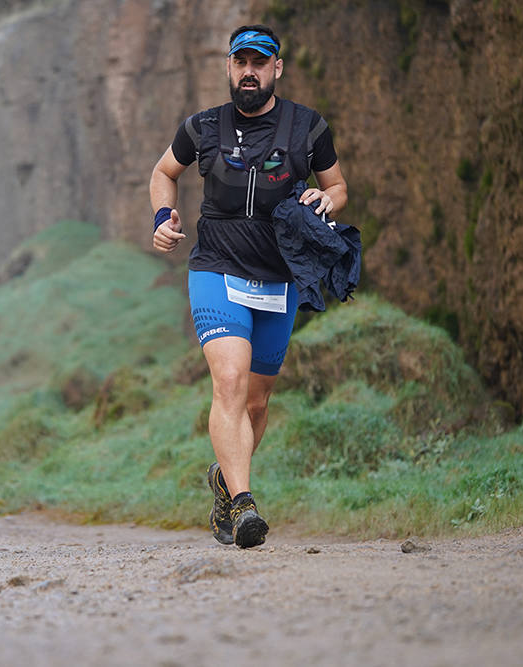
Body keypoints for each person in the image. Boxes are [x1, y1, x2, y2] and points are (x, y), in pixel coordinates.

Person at [149, 25, 348, 548]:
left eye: (260, 64)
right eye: (241, 63)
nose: (249, 73)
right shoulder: (202, 128)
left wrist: (328, 202)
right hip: (217, 268)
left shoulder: (308, 127)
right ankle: (243, 505)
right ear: (230, 68)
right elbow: (163, 172)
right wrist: (162, 215)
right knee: (230, 381)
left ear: (277, 69)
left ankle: (222, 478)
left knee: (256, 405)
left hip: (280, 278)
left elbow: (338, 185)